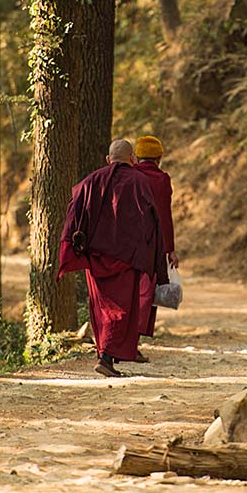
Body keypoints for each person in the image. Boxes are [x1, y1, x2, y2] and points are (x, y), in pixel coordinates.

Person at [58, 139, 168, 377]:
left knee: (102, 307)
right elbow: (152, 221)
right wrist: (154, 258)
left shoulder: (89, 181)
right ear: (132, 159)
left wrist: (72, 249)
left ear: (108, 159)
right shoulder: (140, 182)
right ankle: (106, 357)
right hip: (127, 256)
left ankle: (105, 354)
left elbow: (73, 216)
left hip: (96, 257)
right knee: (123, 308)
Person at [133, 135, 178, 356]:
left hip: (127, 246)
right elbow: (164, 216)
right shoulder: (161, 179)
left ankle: (126, 344)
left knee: (130, 292)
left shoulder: (130, 175)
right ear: (159, 157)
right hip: (153, 245)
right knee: (147, 292)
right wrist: (170, 249)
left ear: (137, 157)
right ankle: (133, 343)